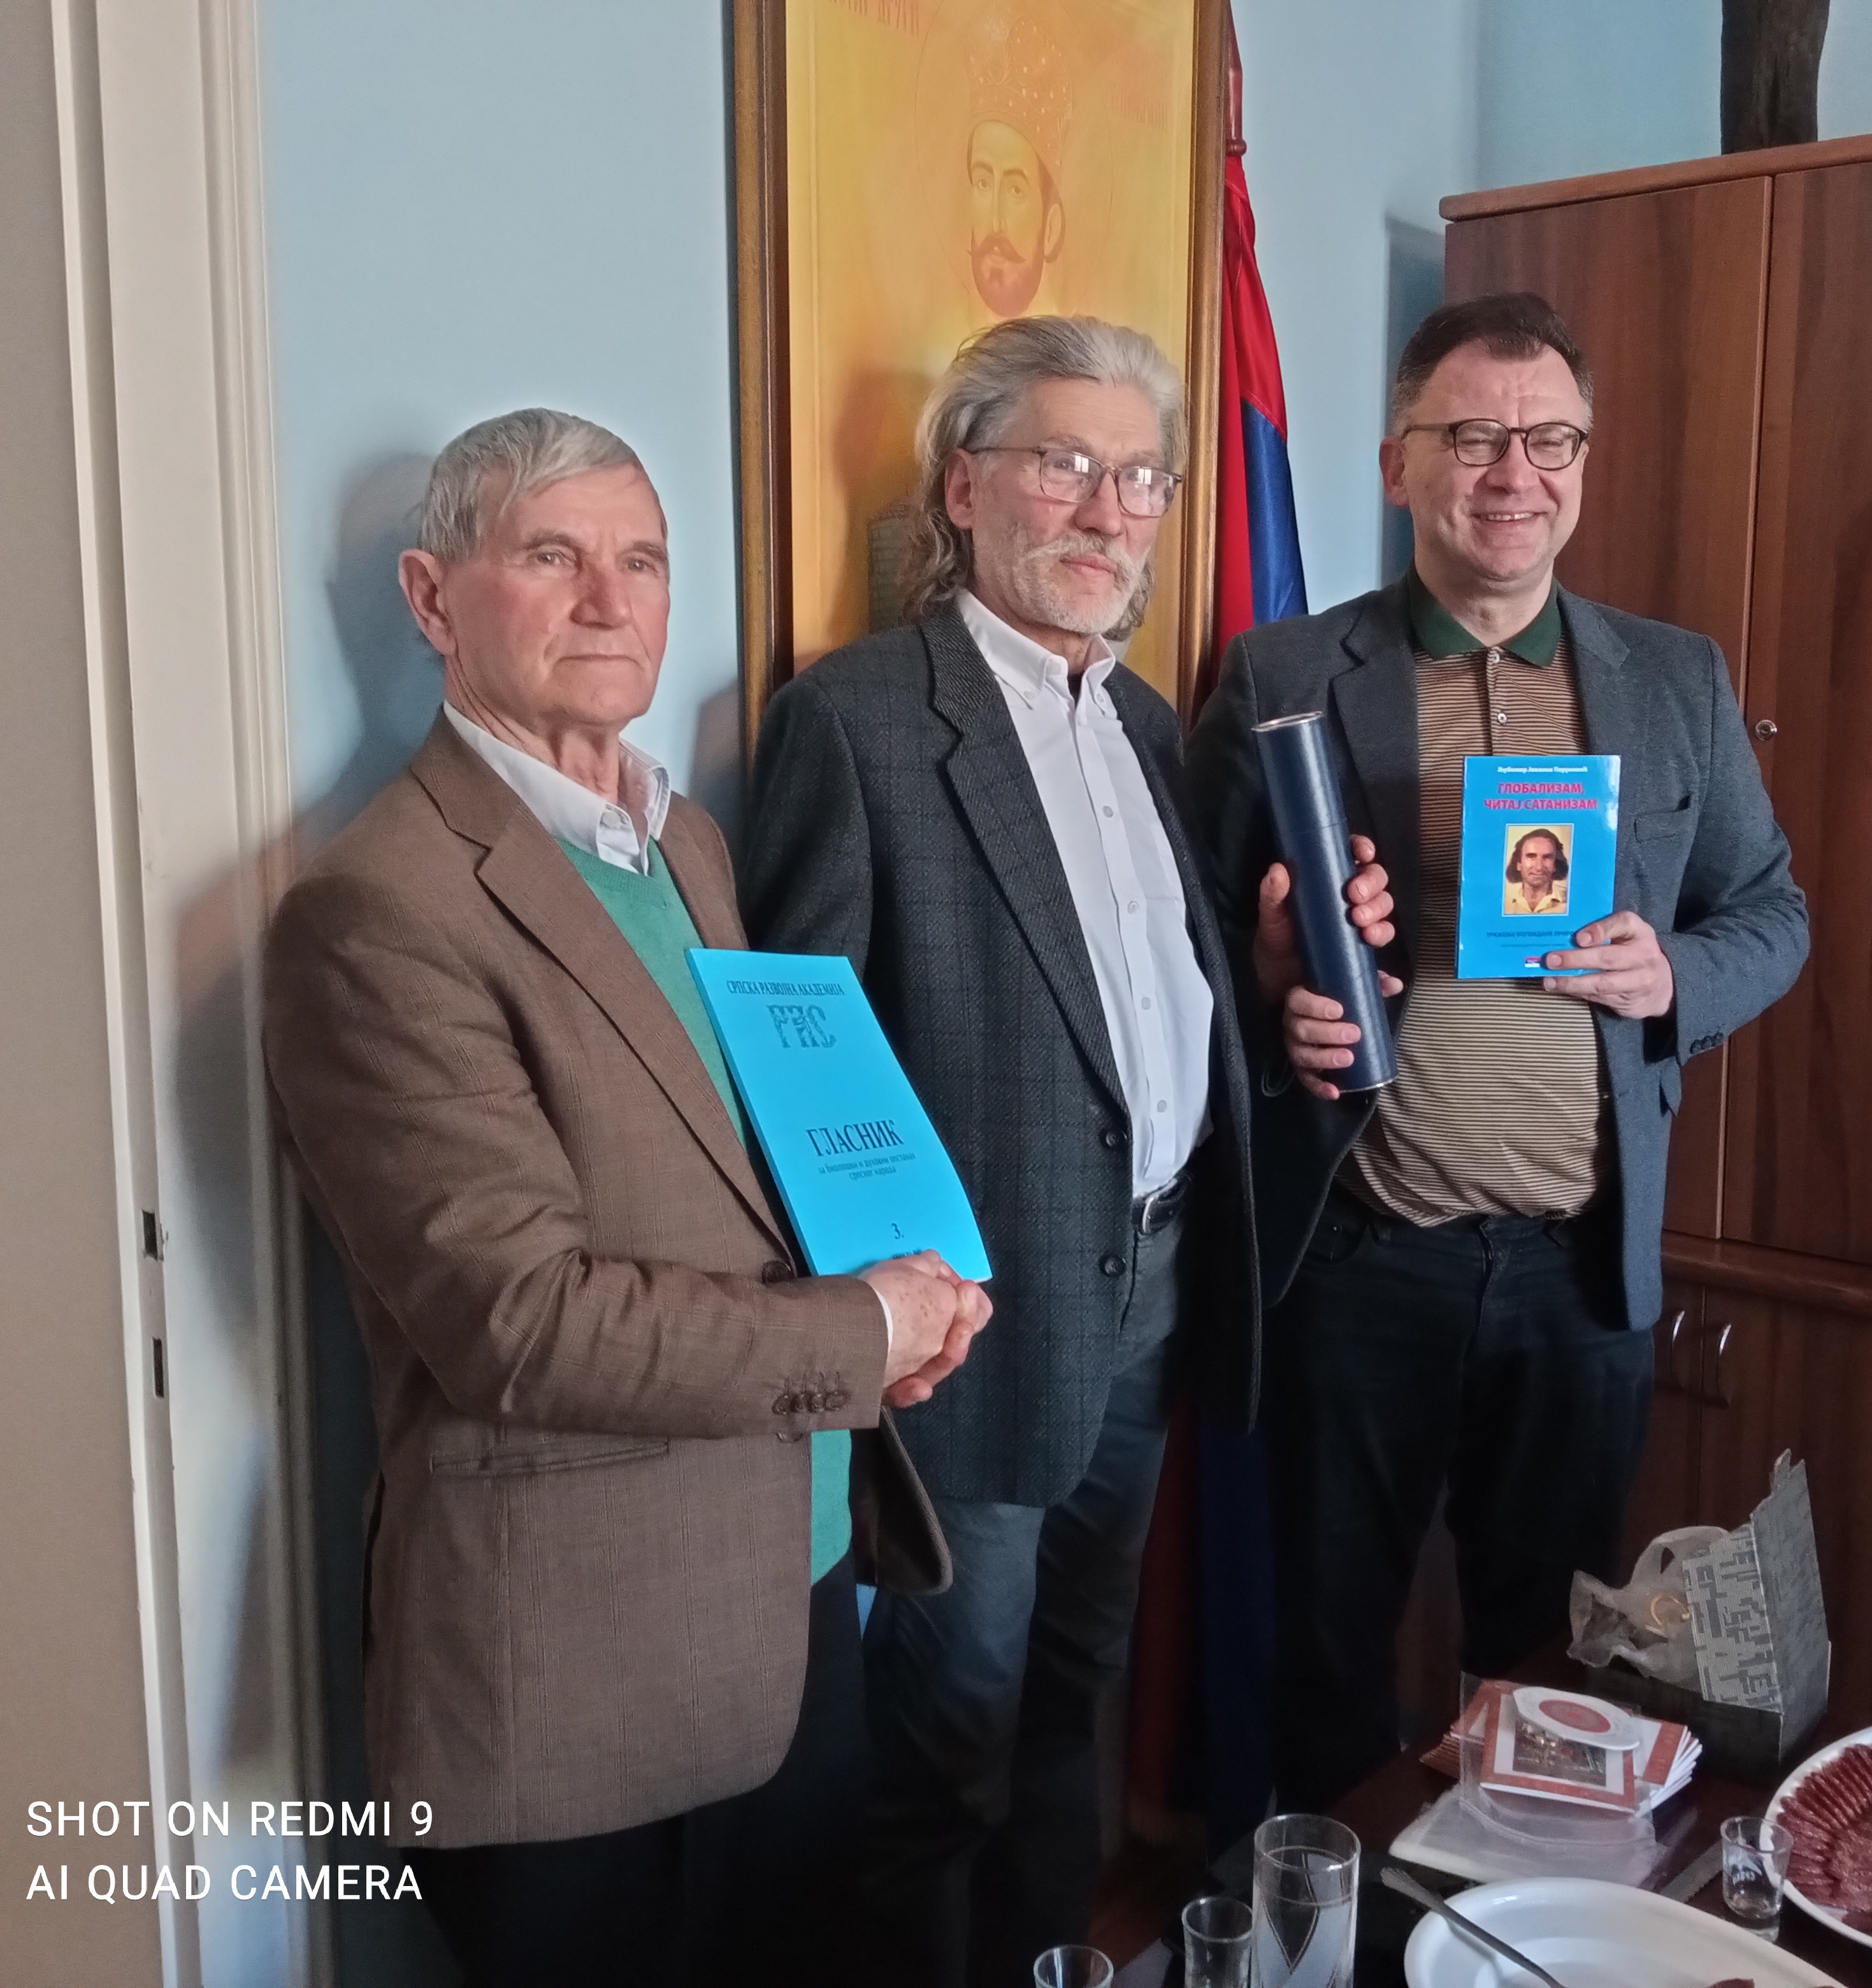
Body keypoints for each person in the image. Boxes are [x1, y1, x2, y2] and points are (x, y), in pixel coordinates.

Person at [261, 408, 991, 1987]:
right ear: (432, 598)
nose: (609, 599)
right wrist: (859, 1331)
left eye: (642, 560)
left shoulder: (684, 844)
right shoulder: (378, 912)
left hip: (790, 1596)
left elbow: (737, 1173)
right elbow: (518, 1321)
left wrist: (894, 1296)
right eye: (552, 555)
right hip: (584, 1669)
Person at [1188, 292, 1810, 1812]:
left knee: (1547, 1671)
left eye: (1549, 441)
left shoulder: (1671, 678)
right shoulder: (1281, 674)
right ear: (1398, 460)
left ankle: (1513, 1921)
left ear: (1583, 461)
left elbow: (1772, 913)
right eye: (1471, 437)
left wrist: (1672, 972)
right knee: (1328, 1661)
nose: (1513, 473)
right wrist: (1271, 988)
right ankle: (1339, 1925)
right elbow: (1186, 948)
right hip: (1360, 1259)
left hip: (1575, 1274)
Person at [742, 318, 1264, 1985]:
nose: (1110, 511)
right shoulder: (859, 721)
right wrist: (885, 1310)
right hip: (968, 1323)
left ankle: (1045, 1964)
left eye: (1141, 477)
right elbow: (800, 1057)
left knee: (1072, 1705)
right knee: (944, 1749)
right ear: (963, 489)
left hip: (1155, 1289)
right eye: (1066, 465)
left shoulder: (1153, 726)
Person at [1504, 827, 1569, 916]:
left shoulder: (1571, 901)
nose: (1539, 867)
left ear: (1555, 865)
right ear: (1519, 864)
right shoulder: (1504, 903)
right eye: (1531, 857)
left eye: (1547, 857)